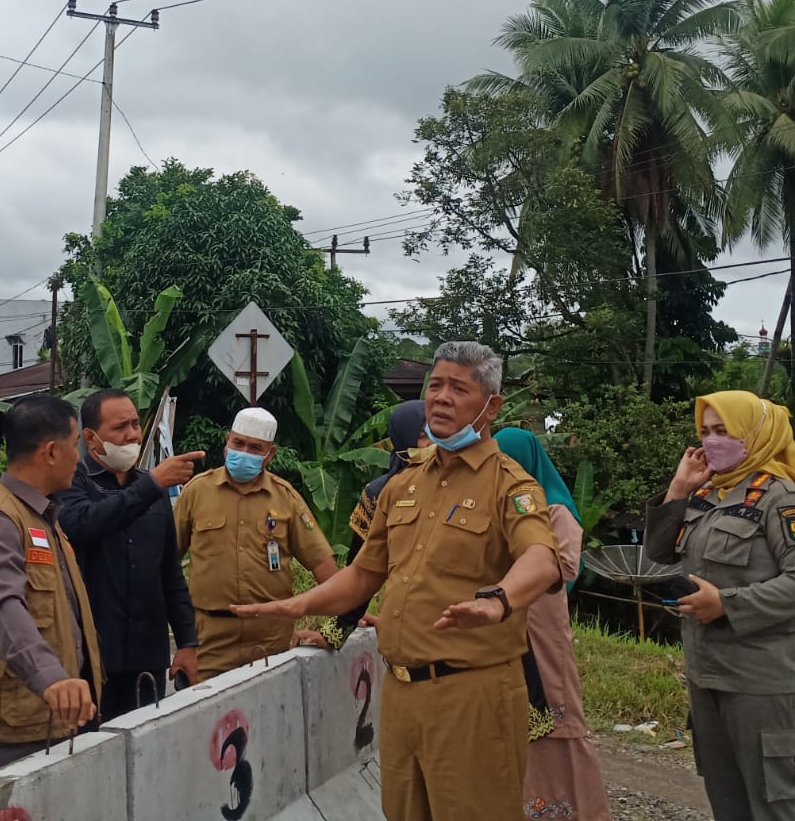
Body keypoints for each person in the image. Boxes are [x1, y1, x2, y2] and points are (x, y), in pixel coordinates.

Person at [234, 341, 562, 821]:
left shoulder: (510, 483)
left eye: (458, 388)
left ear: (491, 406)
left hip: (472, 694)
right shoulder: (403, 485)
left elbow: (541, 558)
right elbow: (364, 575)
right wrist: (298, 605)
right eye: (436, 385)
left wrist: (498, 601)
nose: (441, 397)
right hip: (403, 692)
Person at [644, 390, 795, 821]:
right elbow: (658, 552)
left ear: (755, 433)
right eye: (705, 432)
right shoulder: (707, 494)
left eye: (723, 431)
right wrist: (678, 489)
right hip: (708, 673)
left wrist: (725, 604)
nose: (711, 441)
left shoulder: (784, 502)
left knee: (773, 804)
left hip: (765, 680)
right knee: (726, 799)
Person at [0, 394, 103, 776]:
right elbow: (5, 609)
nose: (79, 458)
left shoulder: (42, 514)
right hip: (14, 728)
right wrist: (52, 679)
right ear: (51, 452)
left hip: (53, 718)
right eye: (75, 446)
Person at [56, 388, 204, 716]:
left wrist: (187, 642)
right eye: (120, 427)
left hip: (147, 658)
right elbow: (84, 524)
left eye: (136, 424)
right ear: (91, 438)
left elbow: (170, 573)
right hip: (91, 661)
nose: (132, 434)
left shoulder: (153, 491)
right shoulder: (73, 485)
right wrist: (151, 485)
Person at [495, 427, 612, 821]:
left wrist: (515, 573)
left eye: (509, 460)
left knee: (555, 715)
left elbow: (565, 566)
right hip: (504, 620)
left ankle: (575, 809)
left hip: (541, 621)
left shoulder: (555, 508)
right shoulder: (506, 502)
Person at [173, 406, 339, 678]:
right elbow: (164, 565)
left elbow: (325, 568)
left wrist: (341, 622)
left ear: (270, 454)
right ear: (227, 442)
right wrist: (180, 639)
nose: (244, 452)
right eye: (238, 443)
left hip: (271, 640)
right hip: (209, 640)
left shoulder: (285, 498)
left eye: (254, 447)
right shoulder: (196, 492)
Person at [336, 399, 427, 631]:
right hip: (404, 629)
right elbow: (362, 573)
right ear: (403, 436)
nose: (434, 443)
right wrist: (337, 632)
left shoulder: (459, 487)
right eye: (425, 435)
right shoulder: (379, 494)